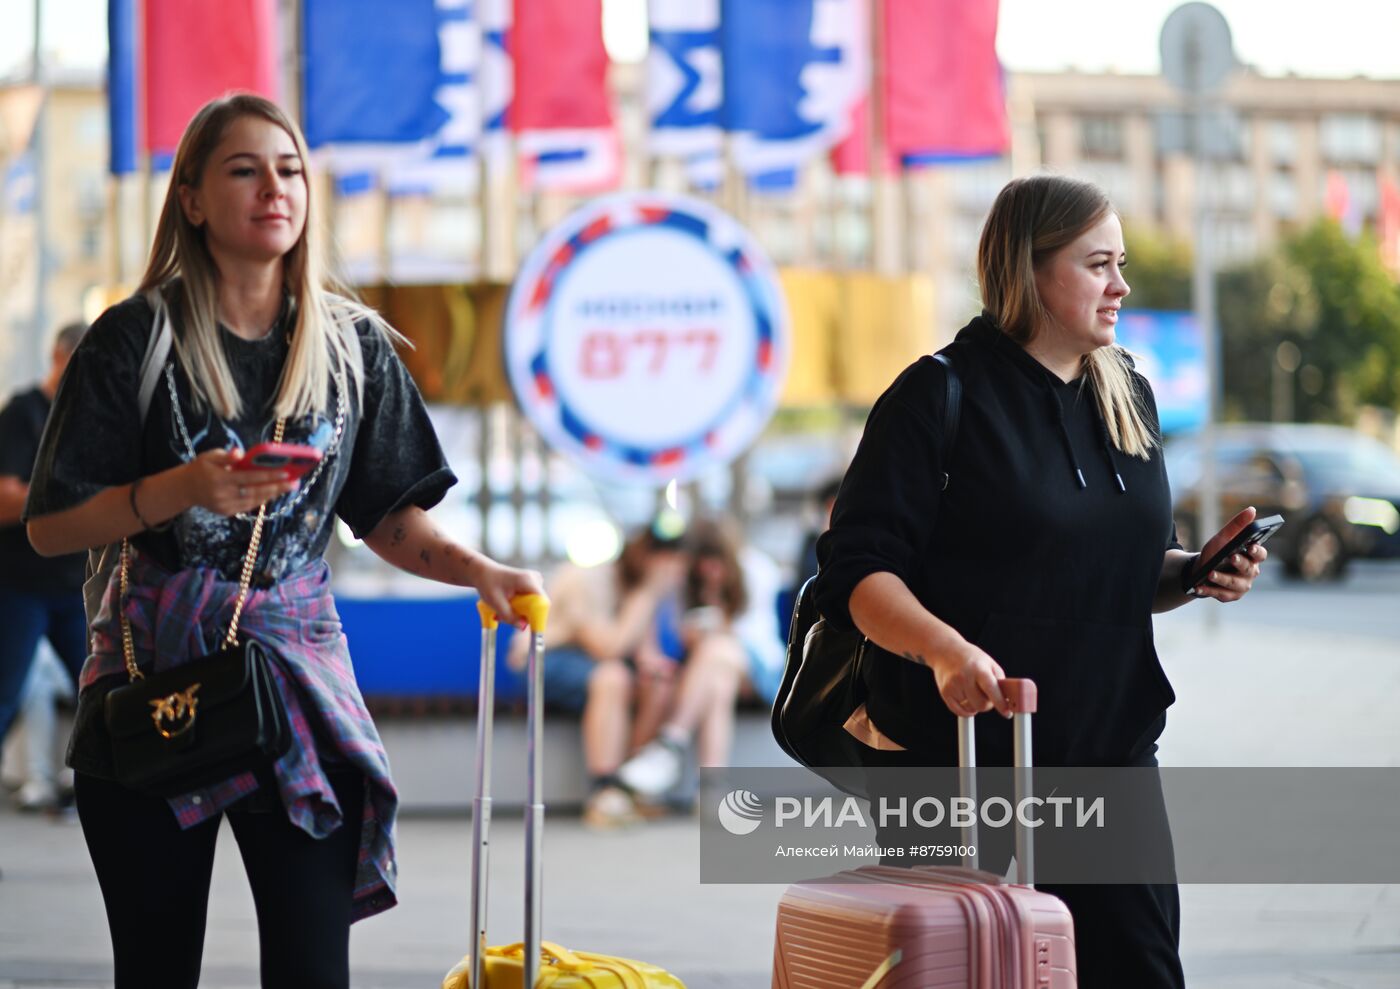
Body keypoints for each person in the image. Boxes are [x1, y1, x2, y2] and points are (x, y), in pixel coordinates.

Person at [23, 94, 542, 988]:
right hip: (154, 678)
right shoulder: (133, 339)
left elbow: (391, 518)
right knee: (155, 968)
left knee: (312, 970)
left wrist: (479, 571)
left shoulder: (353, 347)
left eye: (290, 169)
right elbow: (52, 524)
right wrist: (180, 489)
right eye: (244, 169)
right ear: (190, 198)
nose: (275, 188)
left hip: (295, 677)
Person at [811, 175, 1269, 989]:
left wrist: (1195, 574)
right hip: (957, 761)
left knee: (1139, 971)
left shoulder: (1128, 393)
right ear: (1030, 269)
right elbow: (858, 570)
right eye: (1098, 264)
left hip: (1108, 752)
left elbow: (1126, 571)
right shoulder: (937, 394)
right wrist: (946, 651)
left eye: (1120, 262)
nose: (1121, 285)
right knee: (969, 972)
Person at [512, 513, 687, 828]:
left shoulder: (639, 589)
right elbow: (607, 648)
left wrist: (654, 668)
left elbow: (645, 651)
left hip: (595, 662)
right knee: (612, 677)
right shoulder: (586, 579)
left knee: (657, 681)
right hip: (545, 657)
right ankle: (603, 791)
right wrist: (648, 593)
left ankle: (631, 785)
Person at [619, 517, 787, 798]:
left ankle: (670, 743)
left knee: (717, 649)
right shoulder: (686, 582)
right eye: (703, 563)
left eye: (717, 561)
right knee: (719, 685)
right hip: (717, 672)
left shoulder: (757, 569)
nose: (710, 570)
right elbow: (675, 634)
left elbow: (756, 636)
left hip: (762, 671)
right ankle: (711, 786)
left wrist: (719, 624)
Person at [0, 321, 89, 802]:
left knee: (102, 701)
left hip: (75, 585)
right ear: (58, 357)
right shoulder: (23, 413)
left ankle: (94, 799)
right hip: (20, 585)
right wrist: (73, 496)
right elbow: (3, 499)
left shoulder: (88, 419)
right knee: (5, 699)